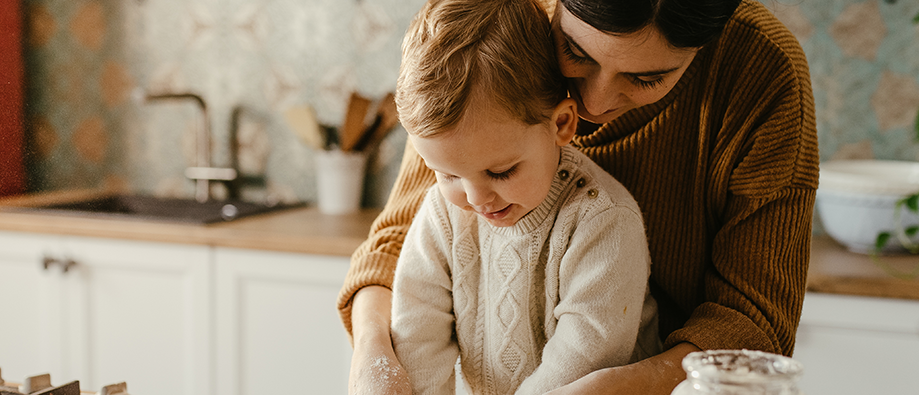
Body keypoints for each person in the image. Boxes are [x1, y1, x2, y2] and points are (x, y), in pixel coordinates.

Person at [342, 0, 818, 393]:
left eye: (647, 77)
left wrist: (623, 384)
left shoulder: (763, 70)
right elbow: (398, 246)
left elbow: (753, 321)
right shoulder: (484, 30)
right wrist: (374, 358)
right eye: (574, 50)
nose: (595, 103)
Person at [385, 0, 661, 394]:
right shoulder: (442, 213)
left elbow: (582, 360)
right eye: (447, 174)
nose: (475, 198)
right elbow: (416, 333)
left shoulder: (603, 221)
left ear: (562, 123)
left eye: (501, 171)